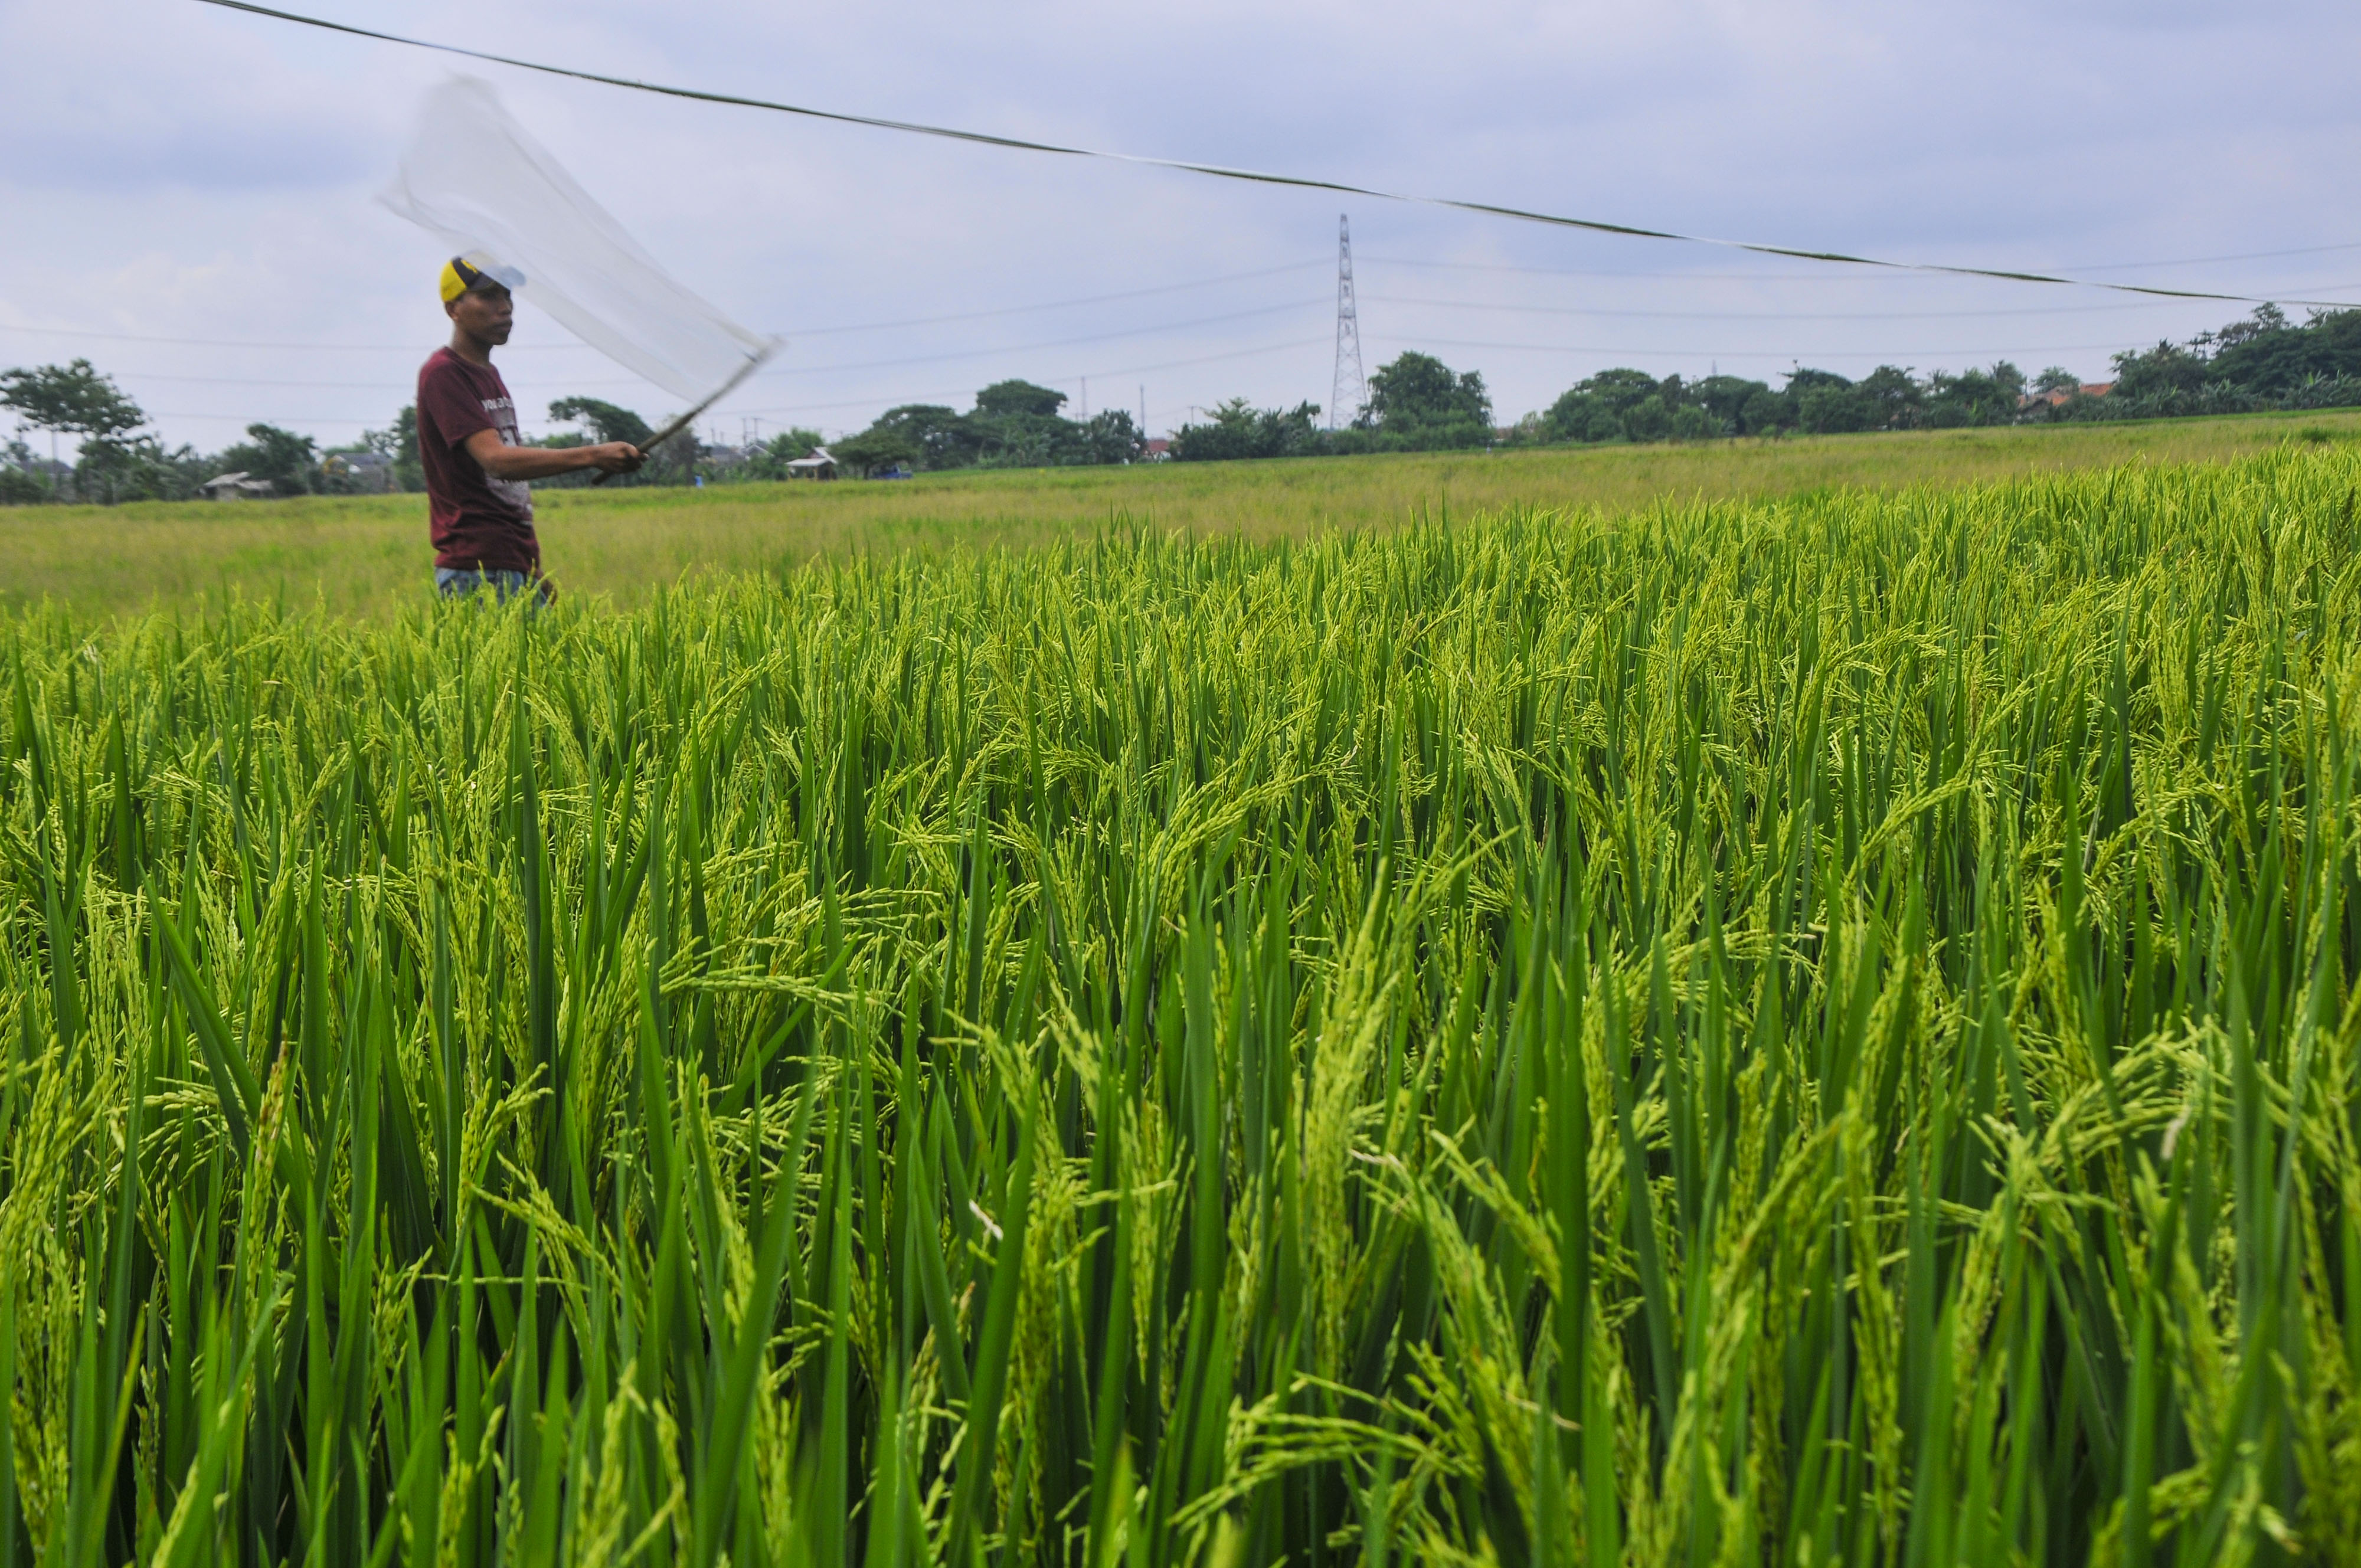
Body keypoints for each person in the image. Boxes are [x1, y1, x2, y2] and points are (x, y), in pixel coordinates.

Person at [416, 255, 642, 604]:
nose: (505, 307)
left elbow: (500, 492)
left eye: (507, 296)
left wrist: (529, 570)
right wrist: (594, 454)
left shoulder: (488, 375)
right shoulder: (445, 374)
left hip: (508, 566)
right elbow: (497, 461)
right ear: (453, 309)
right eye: (489, 296)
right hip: (476, 572)